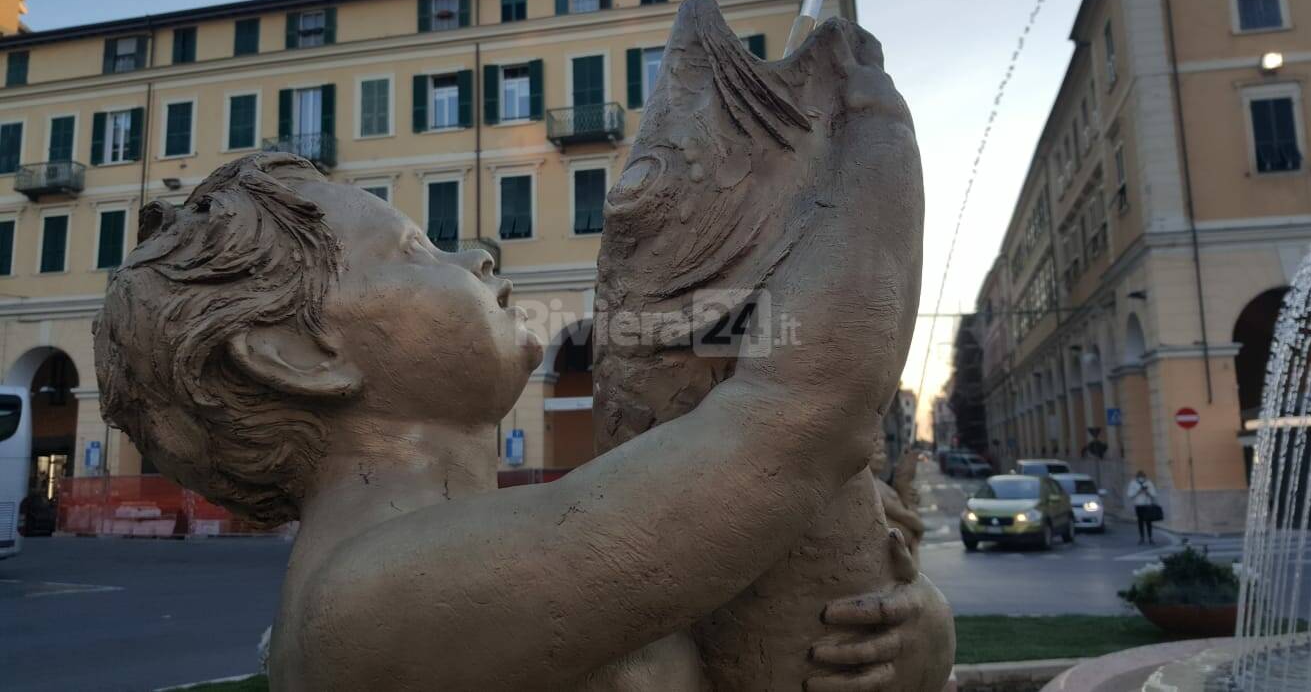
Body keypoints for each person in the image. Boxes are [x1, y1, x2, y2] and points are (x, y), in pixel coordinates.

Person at [93, 153, 948, 690]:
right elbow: (802, 417)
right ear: (300, 354)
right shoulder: (366, 604)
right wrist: (865, 136)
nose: (480, 257)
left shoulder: (519, 541)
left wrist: (917, 635)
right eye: (419, 250)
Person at [1127, 470, 1159, 544]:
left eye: (1142, 476)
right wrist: (1138, 491)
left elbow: (1154, 494)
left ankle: (1150, 538)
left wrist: (1148, 492)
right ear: (1137, 477)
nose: (1141, 478)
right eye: (1140, 477)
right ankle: (1142, 538)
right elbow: (1129, 495)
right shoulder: (1133, 483)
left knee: (1149, 522)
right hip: (1138, 505)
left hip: (1147, 505)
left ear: (1145, 477)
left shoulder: (1149, 483)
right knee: (1140, 522)